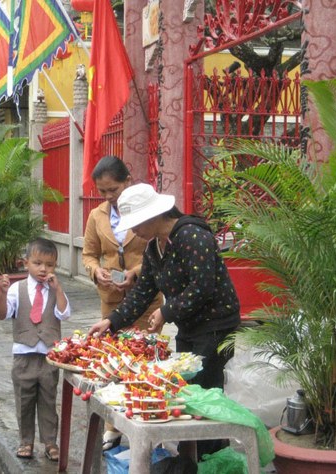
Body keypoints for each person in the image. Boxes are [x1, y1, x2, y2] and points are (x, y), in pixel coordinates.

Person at [88, 183, 241, 459]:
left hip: (216, 325)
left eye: (136, 224)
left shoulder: (192, 236)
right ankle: (194, 456)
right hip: (190, 326)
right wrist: (111, 322)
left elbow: (202, 287)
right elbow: (144, 292)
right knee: (191, 392)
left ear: (154, 215)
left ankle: (209, 458)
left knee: (205, 393)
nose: (134, 232)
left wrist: (166, 313)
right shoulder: (153, 249)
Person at [82, 155, 163, 450]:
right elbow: (89, 253)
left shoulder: (146, 210)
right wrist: (96, 271)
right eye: (102, 191)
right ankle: (112, 426)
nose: (108, 197)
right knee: (113, 363)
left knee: (143, 362)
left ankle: (144, 419)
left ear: (127, 181)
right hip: (112, 299)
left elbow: (157, 248)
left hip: (146, 298)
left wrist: (137, 272)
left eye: (113, 190)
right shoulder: (96, 216)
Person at [0, 237, 70, 462]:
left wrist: (57, 290)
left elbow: (64, 313)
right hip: (23, 356)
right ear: (25, 262)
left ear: (55, 267)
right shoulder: (17, 289)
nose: (43, 269)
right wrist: (1, 293)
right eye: (37, 263)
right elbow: (2, 314)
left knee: (48, 400)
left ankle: (50, 442)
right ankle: (26, 441)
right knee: (24, 400)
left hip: (49, 356)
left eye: (49, 265)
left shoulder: (54, 289)